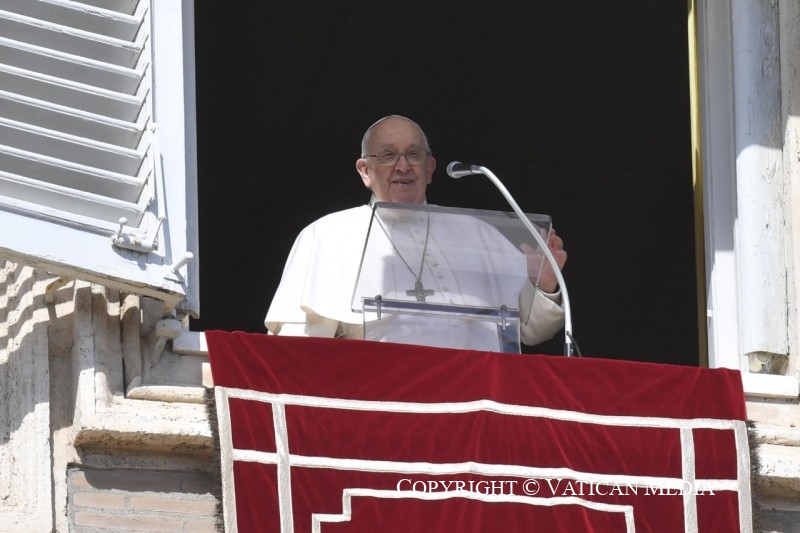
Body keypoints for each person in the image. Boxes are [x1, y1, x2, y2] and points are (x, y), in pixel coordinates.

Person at [264, 115, 567, 351]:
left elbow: (533, 332)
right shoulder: (327, 235)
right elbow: (299, 348)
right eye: (387, 155)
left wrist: (544, 285)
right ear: (365, 171)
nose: (403, 166)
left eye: (414, 155)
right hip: (377, 403)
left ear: (430, 168)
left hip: (475, 404)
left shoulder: (479, 235)